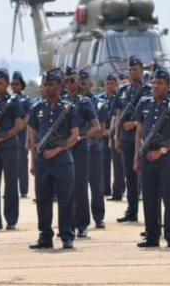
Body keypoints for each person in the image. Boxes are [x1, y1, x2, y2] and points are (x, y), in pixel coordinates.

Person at [27, 69, 80, 250]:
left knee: (66, 199)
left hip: (62, 160)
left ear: (60, 87)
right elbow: (33, 138)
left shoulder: (68, 108)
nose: (48, 88)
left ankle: (66, 235)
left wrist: (58, 149)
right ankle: (45, 236)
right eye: (46, 85)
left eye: (52, 85)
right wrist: (33, 161)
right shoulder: (37, 109)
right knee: (43, 199)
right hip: (43, 161)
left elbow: (75, 136)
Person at [134, 67, 170, 248]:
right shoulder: (144, 103)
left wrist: (162, 151)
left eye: (160, 83)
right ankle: (151, 235)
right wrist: (136, 157)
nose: (155, 86)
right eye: (153, 82)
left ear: (168, 85)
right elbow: (139, 132)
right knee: (149, 197)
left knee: (169, 196)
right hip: (147, 156)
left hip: (167, 157)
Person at [113, 56, 152, 223]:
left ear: (142, 70)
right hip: (126, 138)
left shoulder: (148, 90)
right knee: (129, 176)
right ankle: (132, 210)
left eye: (135, 69)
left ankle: (151, 214)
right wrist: (116, 137)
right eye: (130, 69)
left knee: (147, 177)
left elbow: (150, 115)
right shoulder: (123, 91)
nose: (132, 72)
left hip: (144, 138)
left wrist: (135, 124)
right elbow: (117, 115)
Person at [63, 67, 100, 237]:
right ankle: (67, 224)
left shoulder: (84, 102)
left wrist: (81, 136)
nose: (70, 84)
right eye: (67, 81)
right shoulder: (60, 102)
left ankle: (82, 224)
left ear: (78, 82)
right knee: (65, 187)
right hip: (63, 149)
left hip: (79, 149)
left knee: (80, 186)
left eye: (73, 80)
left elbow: (96, 127)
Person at [0, 69, 26, 230]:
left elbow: (18, 127)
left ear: (7, 84)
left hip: (9, 146)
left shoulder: (14, 101)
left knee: (10, 184)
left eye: (0, 83)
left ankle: (11, 219)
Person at [78, 69, 107, 229]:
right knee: (79, 185)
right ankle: (81, 219)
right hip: (77, 148)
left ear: (91, 84)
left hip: (94, 148)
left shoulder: (98, 103)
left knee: (96, 184)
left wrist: (88, 141)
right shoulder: (74, 103)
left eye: (84, 83)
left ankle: (99, 217)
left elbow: (101, 128)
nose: (82, 86)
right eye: (79, 83)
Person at [101, 73, 124, 201]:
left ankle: (118, 190)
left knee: (118, 165)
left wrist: (112, 132)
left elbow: (117, 116)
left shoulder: (118, 98)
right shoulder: (100, 99)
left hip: (114, 133)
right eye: (107, 83)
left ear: (116, 85)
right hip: (103, 135)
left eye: (112, 84)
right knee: (104, 163)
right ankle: (105, 189)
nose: (109, 86)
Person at [11, 71, 32, 199]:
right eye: (12, 84)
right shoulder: (9, 99)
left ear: (22, 85)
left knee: (22, 163)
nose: (13, 86)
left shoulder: (26, 100)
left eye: (16, 84)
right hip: (10, 136)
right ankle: (12, 190)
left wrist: (18, 128)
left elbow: (28, 117)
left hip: (22, 135)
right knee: (10, 165)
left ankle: (23, 190)